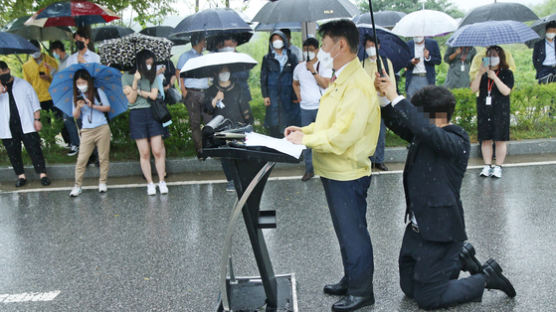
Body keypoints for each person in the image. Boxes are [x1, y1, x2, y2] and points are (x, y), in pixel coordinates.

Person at [374, 70, 516, 311]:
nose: (415, 118)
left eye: (420, 114)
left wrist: (398, 97)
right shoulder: (425, 133)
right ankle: (460, 257)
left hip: (441, 231)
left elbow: (426, 131)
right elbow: (400, 122)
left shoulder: (456, 141)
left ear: (436, 117)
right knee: (410, 290)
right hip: (417, 230)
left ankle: (485, 278)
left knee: (428, 299)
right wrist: (384, 98)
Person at [285, 20, 380, 312]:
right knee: (345, 230)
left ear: (340, 45)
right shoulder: (340, 78)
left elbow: (342, 136)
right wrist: (303, 131)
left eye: (324, 44)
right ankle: (352, 277)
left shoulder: (357, 85)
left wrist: (307, 140)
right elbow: (327, 123)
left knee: (353, 232)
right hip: (335, 170)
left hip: (347, 172)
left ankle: (362, 291)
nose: (321, 50)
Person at [122, 49, 168, 196]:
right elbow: (131, 100)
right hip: (137, 114)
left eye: (151, 63)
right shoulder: (127, 77)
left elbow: (154, 96)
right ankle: (150, 183)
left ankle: (161, 181)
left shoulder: (152, 75)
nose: (150, 65)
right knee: (145, 152)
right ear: (140, 61)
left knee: (157, 150)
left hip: (152, 113)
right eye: (148, 62)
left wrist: (138, 90)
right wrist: (135, 81)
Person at [0, 61, 51, 187]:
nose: (2, 76)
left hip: (27, 124)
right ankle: (21, 176)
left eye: (3, 73)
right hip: (8, 127)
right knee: (13, 152)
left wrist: (37, 119)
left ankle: (43, 175)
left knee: (34, 149)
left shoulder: (23, 84)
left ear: (8, 70)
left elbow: (35, 103)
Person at [204, 66, 253, 192]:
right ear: (216, 73)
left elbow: (245, 106)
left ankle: (242, 178)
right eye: (221, 72)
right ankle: (231, 180)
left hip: (238, 125)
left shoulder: (238, 88)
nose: (224, 74)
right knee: (226, 154)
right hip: (221, 127)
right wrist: (216, 99)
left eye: (226, 71)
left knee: (240, 151)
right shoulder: (211, 90)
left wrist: (248, 122)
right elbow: (207, 109)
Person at [470, 46, 514, 179]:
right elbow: (473, 89)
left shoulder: (507, 73)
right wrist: (480, 73)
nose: (492, 59)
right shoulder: (482, 73)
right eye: (489, 56)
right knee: (485, 139)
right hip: (484, 109)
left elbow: (506, 91)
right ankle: (487, 165)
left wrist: (494, 77)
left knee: (500, 139)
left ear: (500, 58)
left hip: (500, 110)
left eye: (495, 56)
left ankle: (498, 166)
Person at [292, 37, 332, 181]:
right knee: (306, 139)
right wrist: (299, 95)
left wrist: (313, 71)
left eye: (311, 50)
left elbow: (326, 85)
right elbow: (295, 83)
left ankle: (326, 168)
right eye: (305, 50)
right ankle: (309, 169)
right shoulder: (298, 67)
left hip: (321, 107)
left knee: (323, 137)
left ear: (317, 50)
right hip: (305, 108)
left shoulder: (325, 65)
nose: (308, 52)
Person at [69, 69, 112, 197]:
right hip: (87, 130)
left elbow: (107, 107)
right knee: (82, 159)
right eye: (78, 83)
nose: (81, 85)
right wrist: (78, 107)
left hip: (102, 128)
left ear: (88, 82)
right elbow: (75, 116)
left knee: (103, 157)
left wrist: (92, 105)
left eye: (83, 82)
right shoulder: (76, 97)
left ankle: (103, 182)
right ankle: (77, 185)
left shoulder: (98, 92)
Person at [362, 34, 396, 172]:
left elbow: (391, 81)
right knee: (367, 132)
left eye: (373, 46)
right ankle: (368, 159)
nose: (371, 48)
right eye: (368, 46)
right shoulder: (361, 64)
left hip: (381, 102)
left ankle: (379, 160)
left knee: (380, 132)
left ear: (378, 46)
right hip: (366, 104)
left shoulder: (385, 63)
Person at [176, 33, 211, 156]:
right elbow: (179, 73)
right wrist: (183, 91)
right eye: (204, 40)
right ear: (199, 41)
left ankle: (210, 147)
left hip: (205, 92)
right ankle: (200, 149)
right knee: (195, 122)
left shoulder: (203, 57)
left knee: (209, 120)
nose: (205, 43)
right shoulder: (186, 56)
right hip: (191, 92)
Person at [261, 30, 299, 138]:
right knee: (274, 121)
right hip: (273, 94)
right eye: (274, 39)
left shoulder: (291, 57)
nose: (277, 41)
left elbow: (296, 77)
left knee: (288, 121)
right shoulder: (267, 58)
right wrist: (265, 95)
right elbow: (263, 77)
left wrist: (295, 95)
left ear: (284, 40)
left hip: (288, 93)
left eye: (279, 39)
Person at [216, 36, 252, 105]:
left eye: (230, 45)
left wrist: (231, 72)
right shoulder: (221, 59)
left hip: (242, 92)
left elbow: (245, 75)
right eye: (225, 46)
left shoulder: (242, 57)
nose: (227, 48)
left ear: (235, 44)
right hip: (227, 94)